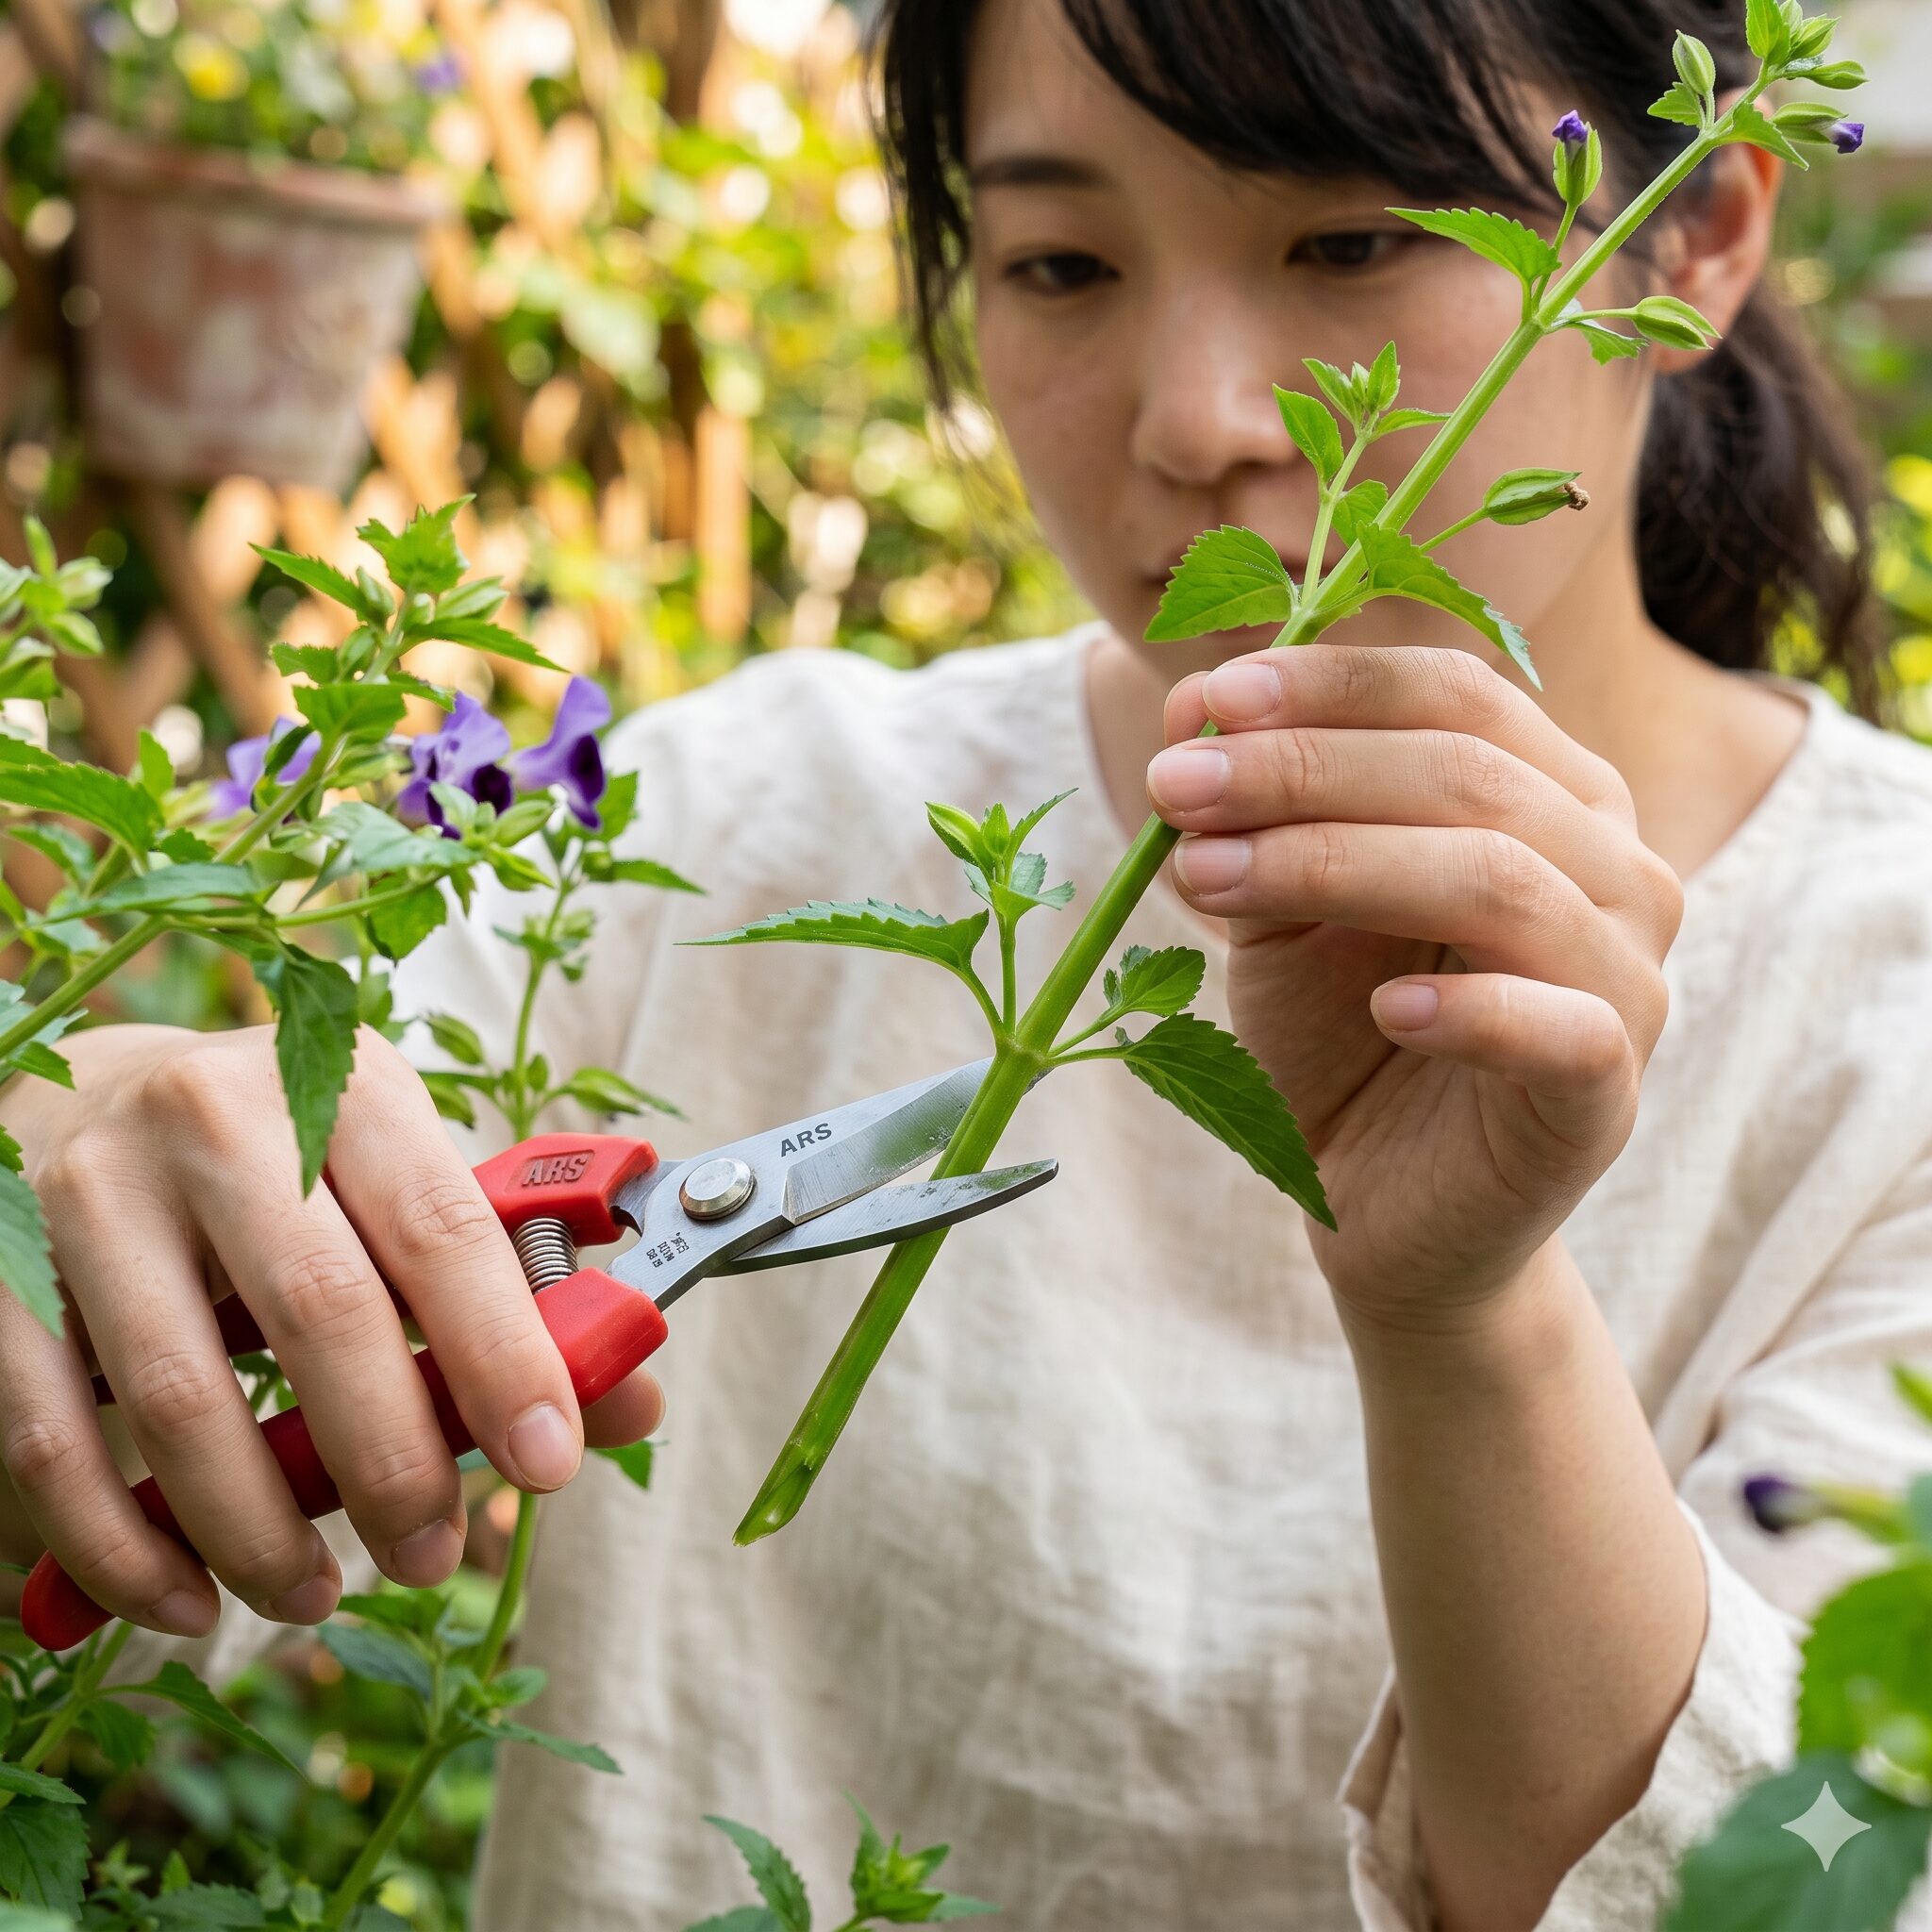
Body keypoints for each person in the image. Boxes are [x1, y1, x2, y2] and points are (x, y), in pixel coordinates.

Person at [3, 0, 1928, 1925]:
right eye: (1062, 263)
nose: (1194, 420)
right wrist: (78, 1186)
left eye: (1351, 241)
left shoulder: (1890, 995)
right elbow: (184, 1440)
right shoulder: (736, 829)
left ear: (1692, 235)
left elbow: (1786, 1890)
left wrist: (1465, 1321)